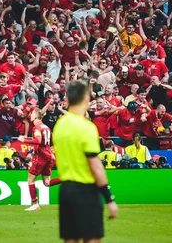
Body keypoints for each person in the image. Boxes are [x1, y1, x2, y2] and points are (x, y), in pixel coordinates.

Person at [53, 79, 118, 243]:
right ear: (86, 98)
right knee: (92, 239)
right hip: (86, 190)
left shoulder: (60, 125)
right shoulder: (86, 127)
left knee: (70, 239)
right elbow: (95, 166)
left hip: (66, 189)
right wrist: (109, 198)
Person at [18, 109, 61, 211]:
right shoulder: (47, 128)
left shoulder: (36, 128)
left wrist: (24, 140)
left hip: (40, 157)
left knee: (30, 180)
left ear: (36, 117)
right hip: (48, 157)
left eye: (32, 114)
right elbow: (53, 141)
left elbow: (38, 140)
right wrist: (51, 153)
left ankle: (35, 204)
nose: (30, 115)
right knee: (47, 182)